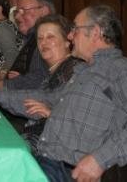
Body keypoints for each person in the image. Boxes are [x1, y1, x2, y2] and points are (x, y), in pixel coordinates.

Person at [0, 4, 127, 182]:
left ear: (95, 33)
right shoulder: (84, 71)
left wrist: (99, 160)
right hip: (46, 159)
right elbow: (47, 97)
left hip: (67, 170)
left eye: (75, 30)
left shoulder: (120, 69)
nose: (70, 37)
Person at [20, 14, 82, 155]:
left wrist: (51, 114)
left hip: (55, 153)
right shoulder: (55, 71)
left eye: (50, 37)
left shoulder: (73, 69)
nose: (44, 43)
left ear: (67, 41)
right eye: (40, 38)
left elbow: (79, 119)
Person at [0, 0, 53, 92]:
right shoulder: (31, 37)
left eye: (23, 11)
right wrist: (6, 75)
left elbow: (40, 80)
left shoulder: (48, 39)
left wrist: (1, 85)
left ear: (44, 11)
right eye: (17, 11)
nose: (17, 16)